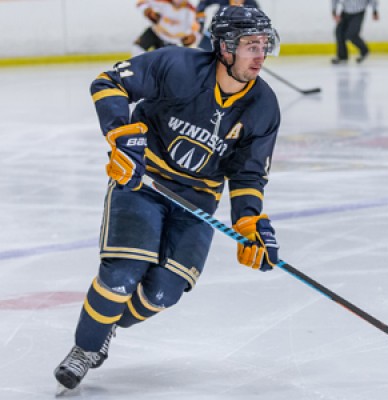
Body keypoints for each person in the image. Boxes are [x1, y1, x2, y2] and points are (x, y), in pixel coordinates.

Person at [53, 6, 282, 391]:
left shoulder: (264, 105)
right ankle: (85, 348)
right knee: (122, 276)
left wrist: (248, 220)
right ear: (225, 48)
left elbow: (248, 173)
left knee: (163, 292)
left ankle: (108, 324)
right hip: (146, 181)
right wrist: (121, 136)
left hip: (198, 200)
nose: (260, 55)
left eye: (264, 45)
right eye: (249, 45)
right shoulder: (177, 66)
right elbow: (109, 82)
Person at [133, 0, 199, 56]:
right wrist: (147, 10)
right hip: (155, 32)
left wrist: (192, 38)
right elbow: (141, 2)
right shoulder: (162, 1)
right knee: (137, 49)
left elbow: (196, 31)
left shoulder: (190, 11)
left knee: (165, 63)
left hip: (172, 42)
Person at [196, 0, 261, 51]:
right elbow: (203, 3)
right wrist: (200, 21)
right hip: (213, 35)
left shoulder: (252, 4)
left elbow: (258, 21)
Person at [331, 0, 379, 64]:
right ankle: (342, 57)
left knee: (351, 34)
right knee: (339, 32)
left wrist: (374, 11)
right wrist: (334, 12)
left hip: (358, 12)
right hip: (345, 12)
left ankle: (364, 50)